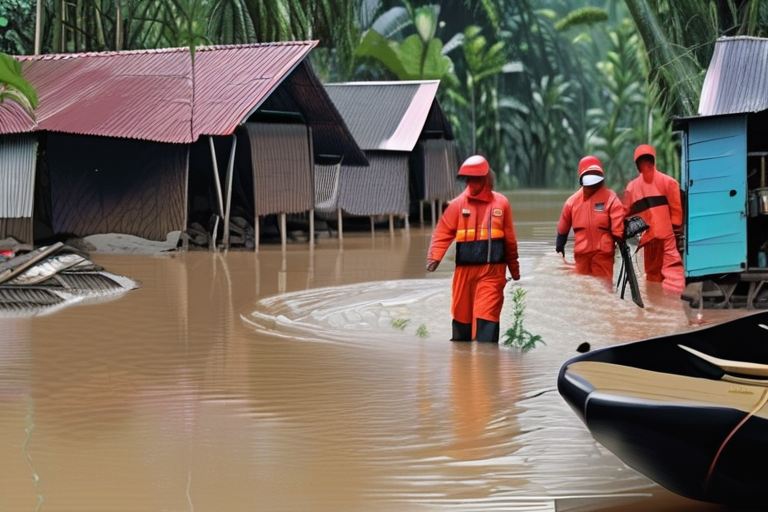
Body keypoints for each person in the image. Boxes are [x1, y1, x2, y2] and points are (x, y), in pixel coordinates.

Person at [426, 155, 520, 343]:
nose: (472, 183)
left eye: (476, 178)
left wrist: (514, 269)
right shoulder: (456, 205)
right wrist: (434, 257)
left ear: (486, 179)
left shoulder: (501, 204)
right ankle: (462, 364)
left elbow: (510, 240)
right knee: (462, 321)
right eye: (469, 179)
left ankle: (487, 363)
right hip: (464, 272)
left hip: (492, 272)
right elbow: (443, 231)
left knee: (487, 316)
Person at [621, 144, 685, 293]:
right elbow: (676, 215)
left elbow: (623, 214)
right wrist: (677, 233)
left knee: (652, 280)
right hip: (669, 239)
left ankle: (655, 308)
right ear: (653, 161)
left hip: (650, 241)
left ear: (637, 165)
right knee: (674, 279)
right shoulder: (669, 182)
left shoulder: (632, 187)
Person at [555, 155, 625, 279]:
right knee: (604, 289)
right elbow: (618, 230)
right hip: (603, 254)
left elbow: (562, 231)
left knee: (585, 288)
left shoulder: (571, 202)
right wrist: (620, 242)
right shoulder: (611, 197)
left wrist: (560, 248)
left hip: (581, 254)